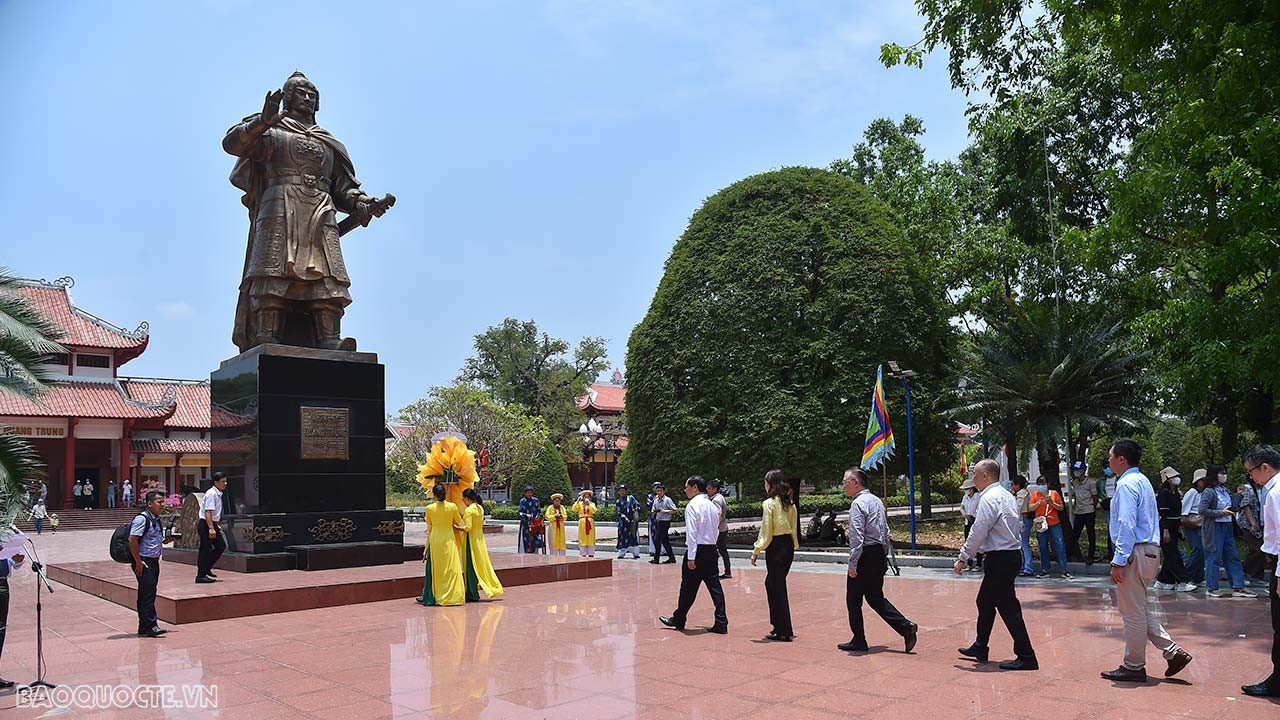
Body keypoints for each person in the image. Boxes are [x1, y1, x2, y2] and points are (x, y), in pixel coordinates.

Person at [223, 71, 390, 352]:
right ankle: (267, 334)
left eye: (313, 94)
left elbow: (344, 188)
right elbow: (233, 145)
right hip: (280, 203)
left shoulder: (328, 142)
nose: (309, 98)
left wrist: (361, 203)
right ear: (287, 98)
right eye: (302, 92)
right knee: (273, 270)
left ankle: (330, 339)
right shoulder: (272, 130)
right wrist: (263, 121)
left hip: (321, 211)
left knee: (328, 279)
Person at [1100, 438, 1194, 682]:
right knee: (1137, 607)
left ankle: (1133, 666)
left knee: (1131, 612)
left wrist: (1119, 559)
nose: (1108, 461)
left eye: (1111, 456)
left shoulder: (1126, 484)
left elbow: (1126, 523)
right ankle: (1173, 652)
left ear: (1121, 459)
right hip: (1149, 552)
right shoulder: (1142, 481)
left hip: (1135, 552)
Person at [955, 459, 1038, 670]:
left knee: (1008, 608)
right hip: (1007, 556)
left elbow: (979, 530)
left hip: (1000, 558)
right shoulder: (1005, 495)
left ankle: (1027, 656)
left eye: (975, 474)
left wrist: (963, 557)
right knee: (985, 601)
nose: (972, 479)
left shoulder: (989, 498)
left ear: (985, 476)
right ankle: (980, 646)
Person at [840, 468, 917, 653]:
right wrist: (882, 554)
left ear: (856, 482)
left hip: (864, 555)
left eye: (846, 482)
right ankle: (905, 626)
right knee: (875, 598)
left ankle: (859, 639)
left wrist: (853, 563)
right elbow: (886, 531)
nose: (844, 486)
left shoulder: (858, 504)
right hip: (877, 554)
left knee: (853, 599)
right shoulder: (876, 501)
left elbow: (857, 537)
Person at [659, 476, 728, 634]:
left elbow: (691, 533)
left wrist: (691, 557)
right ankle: (721, 621)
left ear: (695, 487)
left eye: (686, 487)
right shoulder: (711, 505)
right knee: (715, 587)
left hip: (697, 550)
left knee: (688, 587)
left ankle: (679, 619)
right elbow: (716, 528)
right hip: (711, 549)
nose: (685, 490)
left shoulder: (692, 506)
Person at [1240, 444, 1280, 698]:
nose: (1251, 477)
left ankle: (1277, 683)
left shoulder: (1275, 493)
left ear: (1264, 467)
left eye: (1251, 472)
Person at [751, 470, 799, 641]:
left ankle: (783, 630)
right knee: (773, 584)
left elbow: (766, 531)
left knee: (776, 587)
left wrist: (757, 550)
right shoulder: (790, 503)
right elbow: (793, 528)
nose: (764, 486)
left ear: (771, 484)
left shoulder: (769, 504)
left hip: (776, 547)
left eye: (765, 483)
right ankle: (779, 625)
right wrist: (793, 546)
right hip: (787, 547)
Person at [1200, 464, 1256, 598]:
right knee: (1213, 557)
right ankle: (1212, 587)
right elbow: (1202, 510)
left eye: (1225, 473)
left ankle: (1238, 586)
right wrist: (1221, 512)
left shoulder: (1224, 490)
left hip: (1227, 527)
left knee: (1233, 557)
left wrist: (1238, 496)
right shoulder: (1209, 491)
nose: (1224, 475)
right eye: (1221, 473)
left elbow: (1231, 506)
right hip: (1214, 528)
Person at [129, 491, 175, 637]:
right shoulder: (142, 519)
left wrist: (165, 541)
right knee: (148, 594)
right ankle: (151, 625)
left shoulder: (155, 519)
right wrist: (138, 561)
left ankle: (144, 626)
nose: (162, 505)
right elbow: (132, 540)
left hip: (153, 560)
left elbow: (152, 539)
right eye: (159, 502)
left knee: (146, 593)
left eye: (163, 502)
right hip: (144, 561)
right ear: (149, 504)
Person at [419, 483, 466, 606]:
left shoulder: (429, 508)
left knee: (437, 568)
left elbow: (430, 527)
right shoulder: (452, 506)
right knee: (450, 567)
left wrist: (426, 547)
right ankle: (453, 595)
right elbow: (459, 521)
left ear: (433, 494)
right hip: (449, 539)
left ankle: (436, 594)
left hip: (435, 539)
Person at [1154, 467, 1195, 591]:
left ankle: (1163, 580)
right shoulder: (1164, 494)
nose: (1175, 479)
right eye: (1172, 477)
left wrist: (1179, 528)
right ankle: (1183, 581)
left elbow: (1178, 513)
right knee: (1173, 555)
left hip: (1174, 525)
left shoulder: (1176, 494)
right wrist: (1165, 529)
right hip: (1165, 526)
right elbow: (1163, 513)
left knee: (1170, 554)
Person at [460, 488, 504, 601]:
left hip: (470, 541)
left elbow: (468, 528)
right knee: (480, 565)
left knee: (470, 567)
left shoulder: (469, 510)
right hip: (479, 539)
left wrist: (457, 527)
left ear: (467, 498)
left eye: (463, 498)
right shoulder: (480, 508)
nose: (462, 500)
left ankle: (472, 593)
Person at [1030, 478, 1071, 579]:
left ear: (1047, 484)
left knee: (1059, 545)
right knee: (1043, 546)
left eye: (1043, 484)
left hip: (1054, 523)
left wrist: (1052, 503)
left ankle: (1064, 569)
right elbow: (1030, 507)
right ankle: (1045, 569)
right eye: (1039, 484)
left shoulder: (1054, 493)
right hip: (1041, 524)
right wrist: (1038, 503)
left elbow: (1061, 507)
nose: (1041, 486)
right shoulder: (1035, 494)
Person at [0, 551, 27, 688]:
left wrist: (17, 560)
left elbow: (12, 564)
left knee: (1, 630)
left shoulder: (6, 537)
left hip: (3, 586)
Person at [196, 472, 228, 583]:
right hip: (205, 524)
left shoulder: (217, 493)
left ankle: (206, 568)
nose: (225, 483)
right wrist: (211, 528)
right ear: (216, 482)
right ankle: (200, 575)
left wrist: (215, 525)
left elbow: (214, 513)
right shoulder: (211, 494)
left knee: (220, 546)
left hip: (211, 523)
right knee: (205, 549)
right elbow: (208, 512)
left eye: (225, 481)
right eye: (222, 481)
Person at [1237, 479, 1268, 587]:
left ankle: (1257, 575)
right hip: (1248, 523)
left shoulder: (1264, 488)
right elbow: (1246, 506)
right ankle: (1245, 573)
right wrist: (1252, 523)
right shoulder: (1247, 488)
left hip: (1262, 522)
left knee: (1263, 549)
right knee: (1256, 549)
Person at [1069, 460, 1098, 563]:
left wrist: (1092, 507)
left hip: (1088, 511)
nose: (1075, 472)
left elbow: (1095, 497)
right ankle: (1072, 554)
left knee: (1091, 533)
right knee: (1075, 534)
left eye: (1077, 470)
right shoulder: (1075, 482)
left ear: (1083, 470)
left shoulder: (1091, 482)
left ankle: (1091, 555)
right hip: (1078, 511)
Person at [1181, 469, 1207, 585]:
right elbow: (1184, 512)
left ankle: (1198, 577)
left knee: (1203, 550)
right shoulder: (1192, 492)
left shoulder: (1204, 493)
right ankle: (1188, 575)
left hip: (1202, 524)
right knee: (1197, 549)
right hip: (1192, 524)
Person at [1009, 475, 1035, 577]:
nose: (1012, 487)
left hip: (1023, 518)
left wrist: (1011, 496)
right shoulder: (1018, 493)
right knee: (1020, 544)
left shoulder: (1022, 494)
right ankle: (1023, 566)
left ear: (1018, 485)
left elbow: (1017, 507)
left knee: (1024, 544)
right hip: (1020, 519)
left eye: (1013, 484)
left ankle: (1028, 568)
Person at [707, 479, 731, 579]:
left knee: (714, 551)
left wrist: (715, 528)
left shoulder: (716, 500)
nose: (707, 490)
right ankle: (727, 571)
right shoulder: (719, 497)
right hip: (723, 528)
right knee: (723, 551)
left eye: (709, 488)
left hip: (719, 530)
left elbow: (718, 514)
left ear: (715, 489)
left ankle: (714, 572)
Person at [649, 484, 677, 564]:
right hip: (658, 521)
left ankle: (656, 558)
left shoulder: (667, 500)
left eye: (660, 491)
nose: (659, 492)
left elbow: (674, 510)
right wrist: (655, 511)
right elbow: (652, 510)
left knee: (657, 539)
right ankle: (672, 558)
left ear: (664, 491)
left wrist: (664, 511)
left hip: (665, 522)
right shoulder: (656, 500)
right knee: (665, 541)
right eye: (657, 491)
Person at [960, 478, 984, 571]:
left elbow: (980, 508)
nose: (966, 491)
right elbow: (962, 507)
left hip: (976, 521)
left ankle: (978, 564)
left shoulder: (978, 496)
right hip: (967, 521)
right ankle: (969, 564)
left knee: (978, 543)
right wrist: (965, 514)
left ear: (972, 488)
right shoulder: (965, 497)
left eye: (967, 488)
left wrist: (974, 516)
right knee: (968, 542)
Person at [614, 484, 641, 559]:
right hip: (623, 523)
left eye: (623, 490)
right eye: (620, 491)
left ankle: (636, 553)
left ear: (626, 491)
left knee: (633, 536)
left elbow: (637, 505)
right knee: (623, 537)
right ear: (618, 492)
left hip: (632, 521)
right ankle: (621, 553)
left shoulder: (631, 498)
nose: (622, 492)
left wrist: (636, 509)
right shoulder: (618, 501)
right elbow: (619, 512)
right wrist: (624, 517)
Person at [517, 486, 542, 554]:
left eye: (531, 492)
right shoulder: (522, 501)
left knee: (536, 538)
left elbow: (539, 511)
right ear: (525, 493)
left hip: (535, 523)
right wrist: (525, 515)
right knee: (526, 539)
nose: (529, 494)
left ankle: (536, 553)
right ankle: (525, 553)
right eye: (528, 492)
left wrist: (537, 518)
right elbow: (520, 512)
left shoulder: (535, 500)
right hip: (525, 524)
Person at [572, 490, 597, 557]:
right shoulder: (580, 504)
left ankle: (591, 553)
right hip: (582, 521)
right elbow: (574, 509)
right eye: (585, 496)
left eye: (588, 497)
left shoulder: (592, 504)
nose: (586, 498)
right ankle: (583, 553)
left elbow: (594, 511)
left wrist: (589, 504)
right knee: (582, 537)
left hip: (590, 521)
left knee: (590, 537)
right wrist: (577, 501)